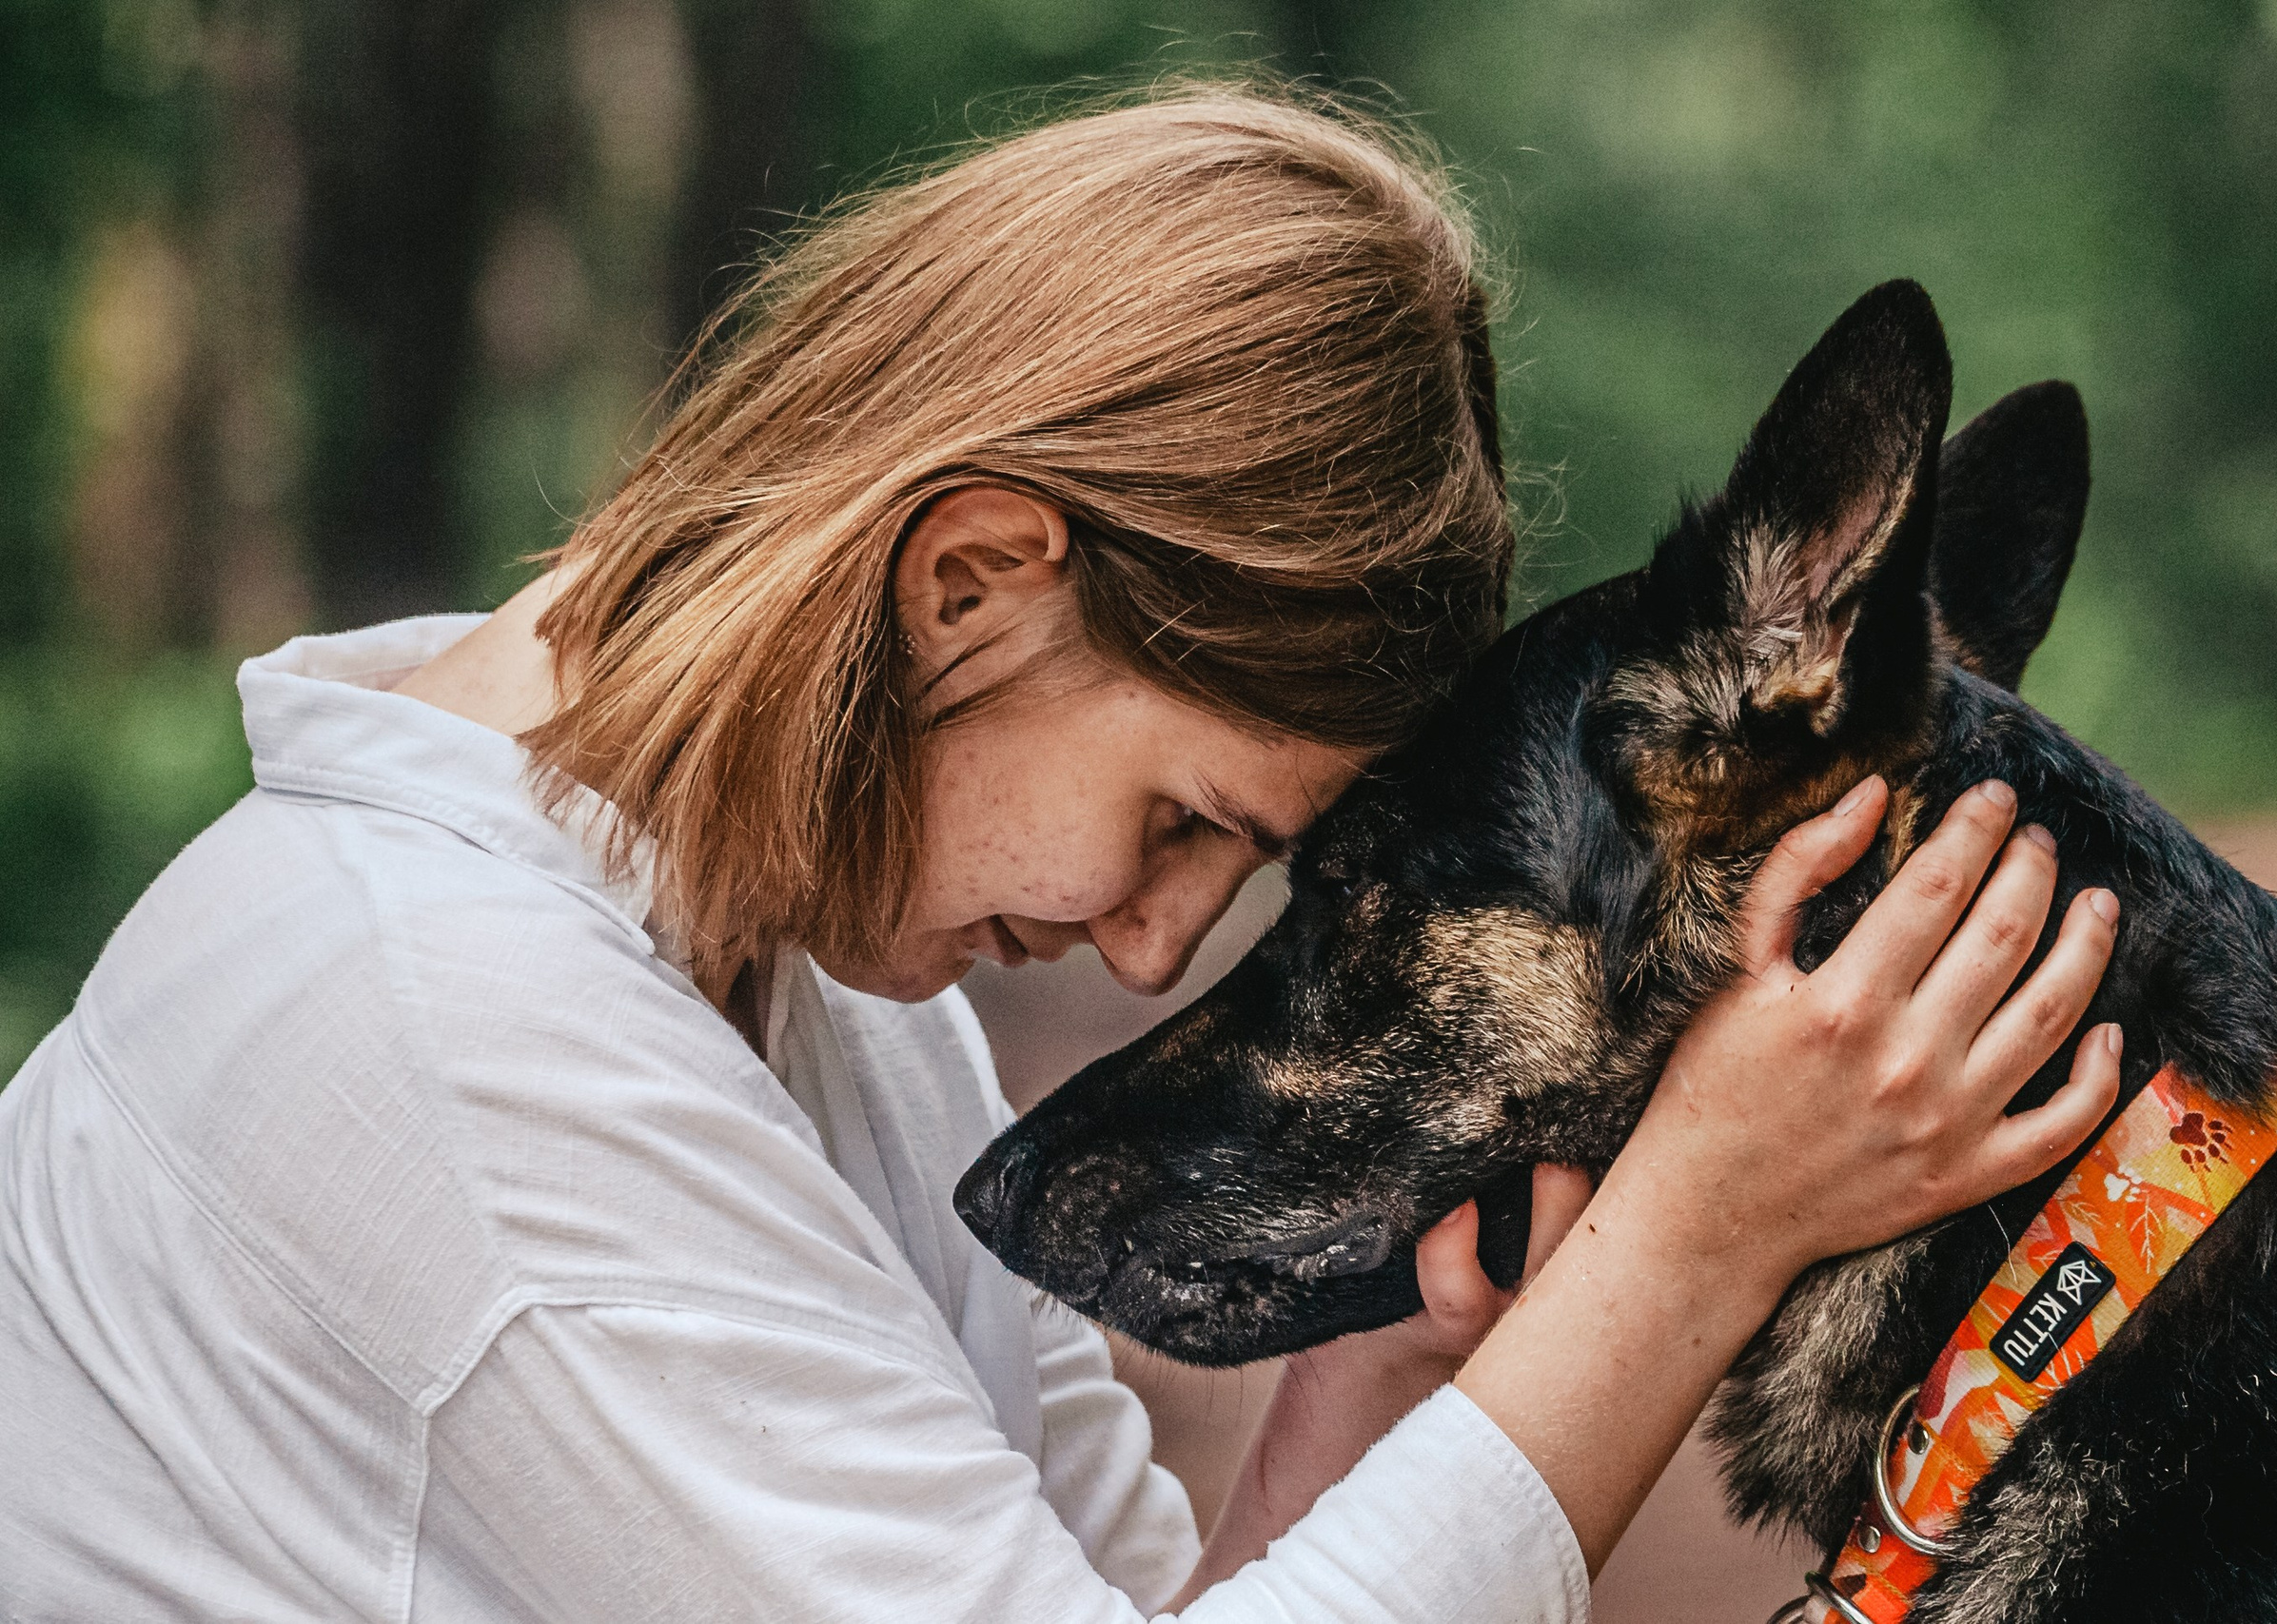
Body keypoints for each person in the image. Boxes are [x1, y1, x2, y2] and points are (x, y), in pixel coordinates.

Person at [0, 87, 2124, 1623]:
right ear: (972, 583)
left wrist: (1371, 1386)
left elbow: (1118, 1605)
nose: (1145, 950)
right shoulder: (443, 1029)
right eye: (1186, 818)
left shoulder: (792, 985)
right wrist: (1691, 1239)